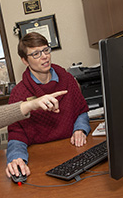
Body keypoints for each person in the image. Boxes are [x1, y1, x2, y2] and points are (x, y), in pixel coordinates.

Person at [6, 32, 90, 178]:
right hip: (41, 159)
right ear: (25, 61)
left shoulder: (68, 79)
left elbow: (81, 110)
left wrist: (80, 129)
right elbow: (16, 134)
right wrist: (17, 158)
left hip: (73, 150)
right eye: (36, 54)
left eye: (46, 50)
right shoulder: (18, 93)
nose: (44, 56)